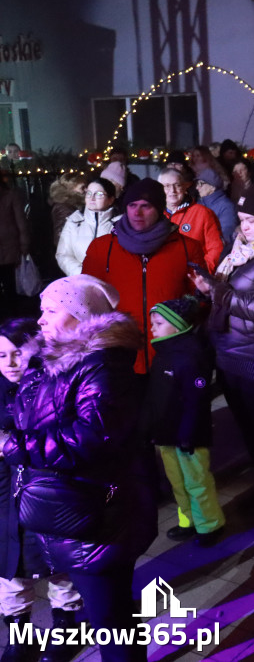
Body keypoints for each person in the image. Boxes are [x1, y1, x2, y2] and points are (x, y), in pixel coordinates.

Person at [5, 275, 157, 662]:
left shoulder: (102, 367)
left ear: (83, 317)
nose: (40, 320)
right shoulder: (52, 360)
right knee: (112, 612)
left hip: (100, 518)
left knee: (112, 619)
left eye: (52, 311)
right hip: (75, 510)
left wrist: (11, 445)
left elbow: (89, 438)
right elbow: (32, 415)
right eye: (41, 311)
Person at [192, 179, 254, 495]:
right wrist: (206, 285)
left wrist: (219, 293)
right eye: (242, 220)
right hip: (227, 353)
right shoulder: (238, 249)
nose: (244, 226)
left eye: (252, 220)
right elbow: (231, 289)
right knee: (248, 430)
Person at [0, 318, 83, 662]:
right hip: (5, 501)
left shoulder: (55, 386)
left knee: (58, 566)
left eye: (17, 353)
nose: (10, 363)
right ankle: (20, 635)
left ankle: (67, 625)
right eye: (1, 356)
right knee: (9, 571)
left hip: (47, 494)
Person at [82, 177, 205, 373]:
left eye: (146, 206)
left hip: (169, 355)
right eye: (132, 205)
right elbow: (86, 302)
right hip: (119, 355)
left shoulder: (186, 247)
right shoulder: (102, 248)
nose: (137, 212)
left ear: (159, 209)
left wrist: (198, 301)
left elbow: (198, 302)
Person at [138, 296, 226, 548]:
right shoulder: (163, 353)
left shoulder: (191, 356)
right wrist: (149, 426)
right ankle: (188, 520)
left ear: (176, 326)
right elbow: (155, 396)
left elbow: (196, 401)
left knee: (196, 481)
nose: (152, 328)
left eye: (158, 323)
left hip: (189, 436)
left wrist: (188, 433)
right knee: (177, 481)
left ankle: (210, 524)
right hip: (166, 433)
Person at [159, 166, 224, 271]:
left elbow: (216, 249)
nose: (172, 190)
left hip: (194, 280)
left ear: (185, 187)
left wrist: (202, 273)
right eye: (166, 186)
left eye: (177, 185)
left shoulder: (203, 213)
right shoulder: (154, 215)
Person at [56, 178, 119, 276]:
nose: (92, 198)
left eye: (99, 194)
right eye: (89, 193)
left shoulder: (121, 224)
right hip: (81, 281)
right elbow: (63, 254)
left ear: (111, 200)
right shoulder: (74, 222)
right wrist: (82, 273)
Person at [194, 167, 238, 256]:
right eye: (197, 184)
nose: (197, 187)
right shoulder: (200, 202)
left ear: (213, 187)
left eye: (201, 184)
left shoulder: (226, 207)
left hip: (214, 255)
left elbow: (225, 236)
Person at [0, 176, 29, 311]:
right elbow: (20, 222)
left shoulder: (10, 195)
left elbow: (21, 222)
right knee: (9, 282)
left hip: (8, 245)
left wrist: (23, 245)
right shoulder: (10, 195)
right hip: (9, 243)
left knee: (10, 281)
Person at [47, 173, 86, 247]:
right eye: (82, 188)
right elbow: (62, 236)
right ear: (71, 189)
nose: (86, 190)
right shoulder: (63, 208)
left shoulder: (71, 205)